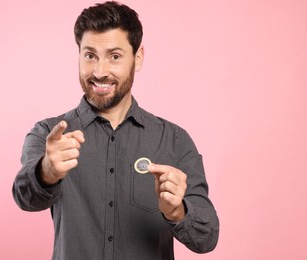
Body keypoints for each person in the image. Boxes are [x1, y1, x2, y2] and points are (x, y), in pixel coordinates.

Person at [12, 1, 219, 259]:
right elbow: (24, 198)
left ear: (138, 58)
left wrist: (177, 211)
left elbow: (207, 238)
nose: (100, 72)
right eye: (90, 55)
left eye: (115, 56)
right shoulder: (48, 134)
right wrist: (46, 172)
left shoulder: (174, 141)